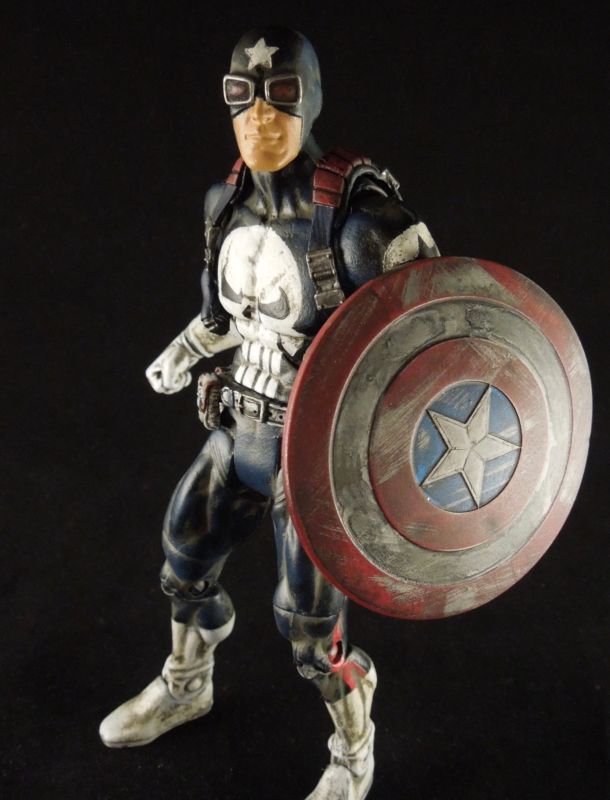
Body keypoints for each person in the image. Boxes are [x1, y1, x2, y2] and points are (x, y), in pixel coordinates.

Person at [99, 26, 438, 800]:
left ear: (311, 100)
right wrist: (182, 354)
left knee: (310, 632)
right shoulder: (224, 206)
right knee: (183, 557)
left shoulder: (360, 225)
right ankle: (187, 682)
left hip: (309, 453)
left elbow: (433, 343)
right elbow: (219, 318)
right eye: (241, 95)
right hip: (237, 429)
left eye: (281, 95)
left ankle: (354, 749)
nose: (258, 116)